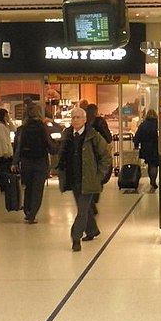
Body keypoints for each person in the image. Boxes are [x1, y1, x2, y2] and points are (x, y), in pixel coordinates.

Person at [55, 107, 112, 251]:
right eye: (73, 118)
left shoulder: (93, 136)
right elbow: (61, 155)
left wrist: (98, 175)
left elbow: (106, 156)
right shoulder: (67, 135)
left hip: (89, 179)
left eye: (78, 117)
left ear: (85, 119)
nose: (75, 120)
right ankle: (92, 230)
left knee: (81, 211)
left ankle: (76, 238)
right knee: (84, 209)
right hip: (73, 179)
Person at [12, 102, 56, 224]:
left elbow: (19, 147)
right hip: (41, 162)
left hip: (26, 162)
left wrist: (15, 162)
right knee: (37, 189)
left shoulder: (23, 129)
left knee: (28, 188)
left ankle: (27, 211)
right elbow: (49, 144)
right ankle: (32, 214)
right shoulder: (43, 127)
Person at [133, 109, 160, 191]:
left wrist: (136, 145)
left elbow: (137, 137)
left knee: (150, 164)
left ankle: (151, 181)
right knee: (154, 165)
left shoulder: (143, 125)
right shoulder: (158, 125)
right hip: (156, 147)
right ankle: (153, 180)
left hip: (146, 148)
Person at [0, 108, 15, 192]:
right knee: (3, 170)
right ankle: (3, 186)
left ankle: (6, 186)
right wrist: (5, 152)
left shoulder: (5, 125)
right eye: (6, 116)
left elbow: (14, 129)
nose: (7, 117)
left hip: (7, 151)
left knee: (7, 170)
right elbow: (3, 140)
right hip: (3, 152)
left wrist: (10, 121)